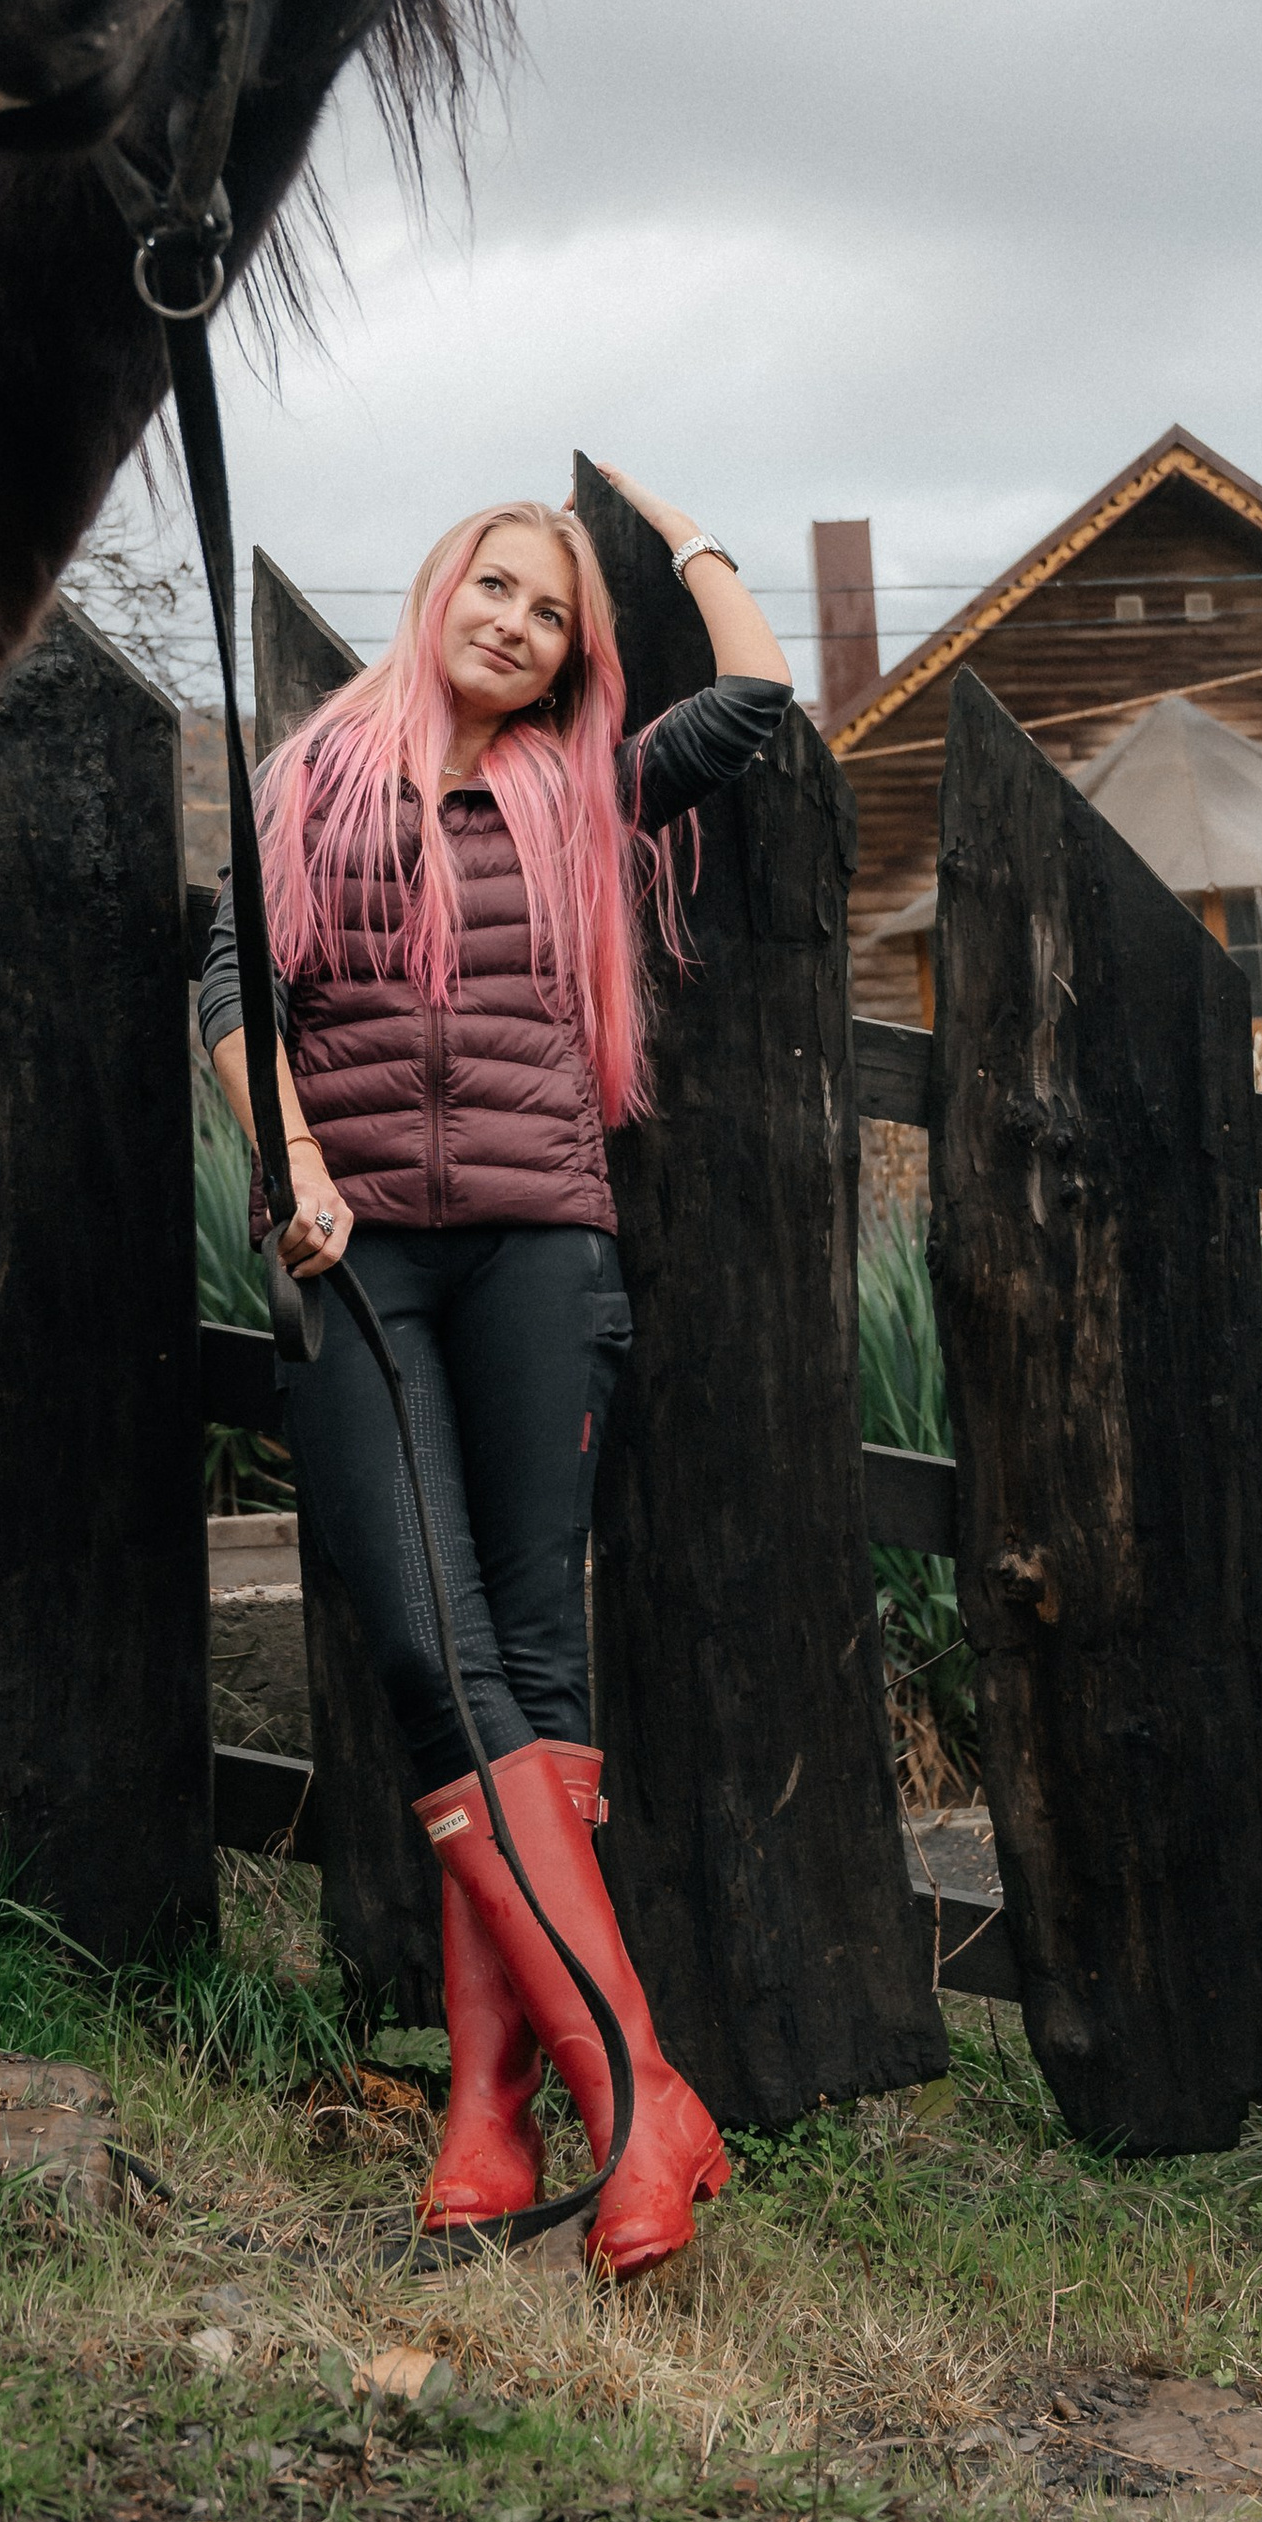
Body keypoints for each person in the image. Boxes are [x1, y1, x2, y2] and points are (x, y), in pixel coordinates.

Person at [197, 472, 792, 2280]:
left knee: (529, 1664)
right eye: (503, 591)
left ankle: (487, 2123)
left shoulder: (583, 788)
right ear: (444, 591)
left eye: (554, 616)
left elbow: (758, 707)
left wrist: (689, 541)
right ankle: (639, 2097)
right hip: (360, 1256)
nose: (521, 627)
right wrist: (289, 1161)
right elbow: (235, 982)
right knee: (432, 1655)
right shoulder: (309, 780)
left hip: (546, 1256)